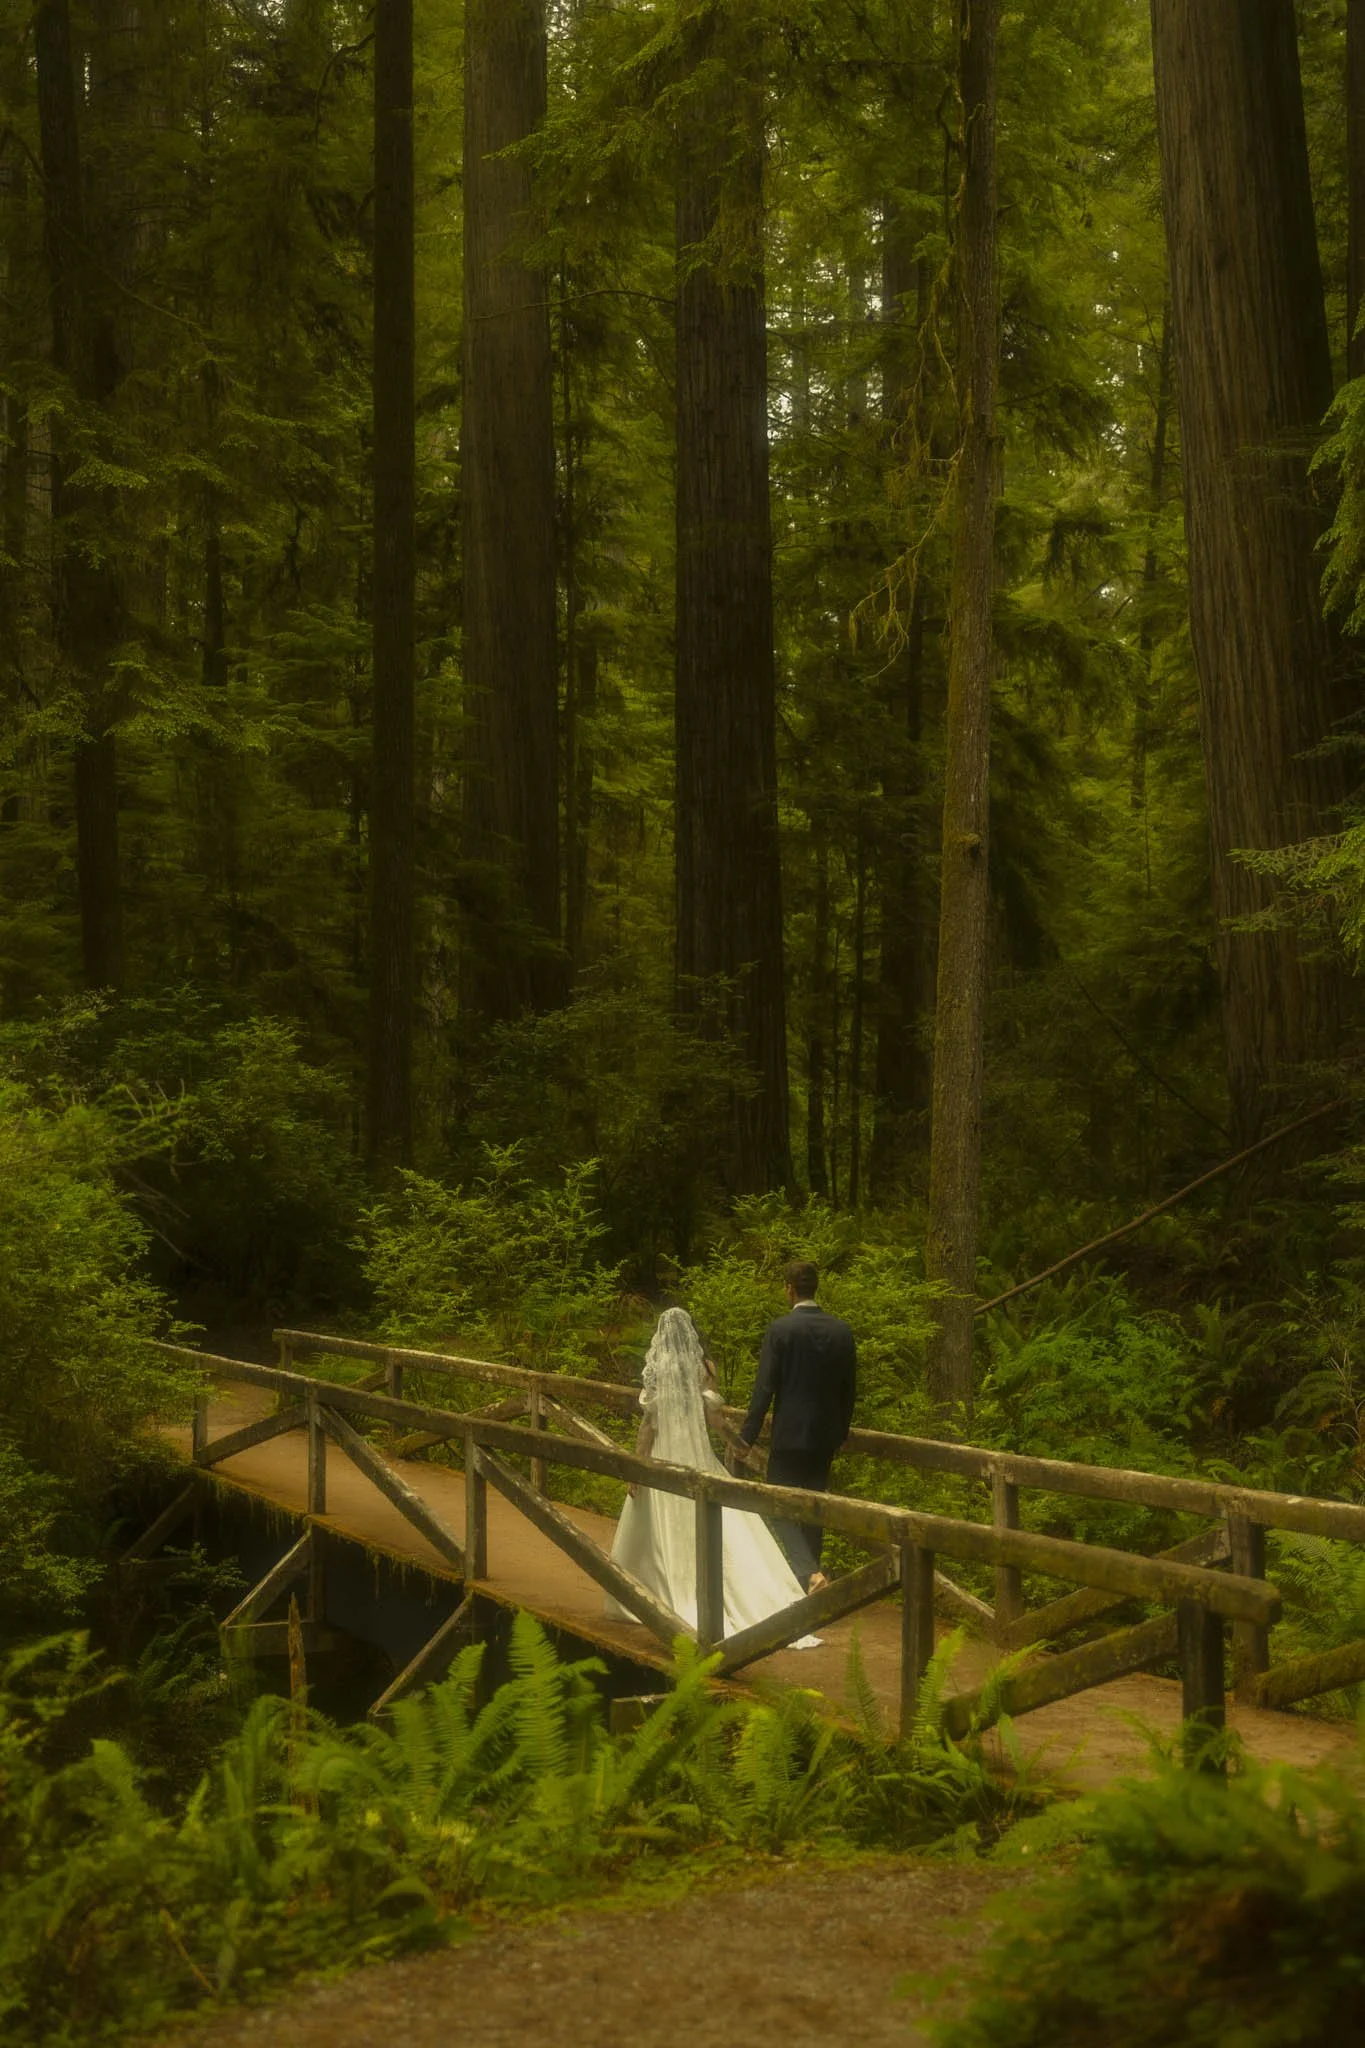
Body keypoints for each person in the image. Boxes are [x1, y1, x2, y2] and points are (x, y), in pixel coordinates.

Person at [605, 1307, 819, 1645]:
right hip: (699, 1461)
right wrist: (739, 1445)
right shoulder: (704, 1370)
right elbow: (717, 1419)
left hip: (663, 1461)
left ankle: (650, 1597)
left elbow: (648, 1427)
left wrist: (637, 1467)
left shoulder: (657, 1372)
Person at [737, 1260, 856, 1592]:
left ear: (789, 1289)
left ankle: (808, 1572)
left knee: (779, 1504)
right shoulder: (841, 1331)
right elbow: (849, 1388)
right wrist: (842, 1430)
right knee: (814, 1506)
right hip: (826, 1435)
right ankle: (811, 1581)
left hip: (789, 1433)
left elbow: (764, 1387)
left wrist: (747, 1435)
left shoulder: (781, 1330)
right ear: (815, 1288)